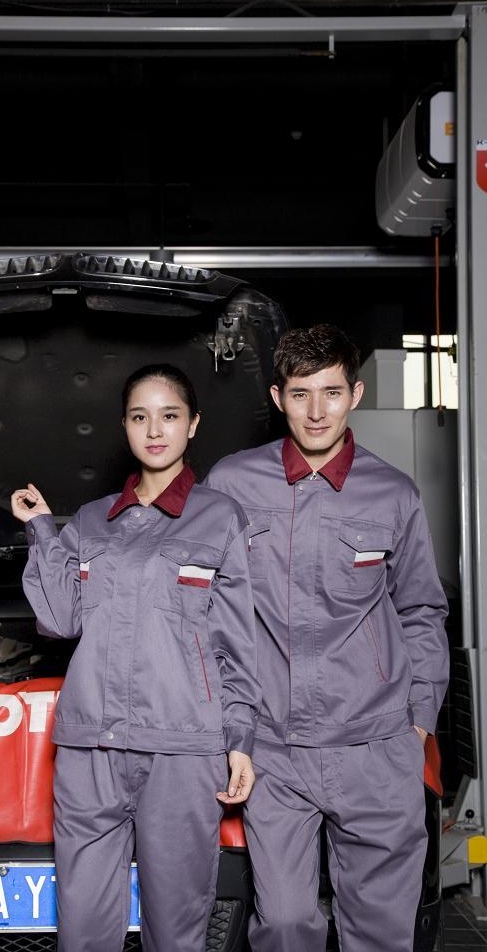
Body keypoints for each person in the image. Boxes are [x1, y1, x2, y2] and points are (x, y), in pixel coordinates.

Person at [204, 324, 449, 952]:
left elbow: (422, 611)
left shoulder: (394, 493)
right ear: (277, 397)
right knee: (285, 924)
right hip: (274, 749)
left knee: (381, 932)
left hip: (375, 746)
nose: (317, 411)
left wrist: (417, 723)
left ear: (355, 394)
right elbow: (204, 608)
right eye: (300, 393)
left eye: (332, 392)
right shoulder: (231, 484)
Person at [11, 363, 260, 952]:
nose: (154, 430)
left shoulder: (221, 518)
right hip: (89, 749)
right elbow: (61, 619)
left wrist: (241, 739)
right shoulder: (91, 520)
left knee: (175, 931)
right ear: (124, 425)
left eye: (169, 415)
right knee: (82, 932)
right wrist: (42, 529)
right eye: (139, 416)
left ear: (192, 424)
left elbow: (236, 642)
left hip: (181, 749)